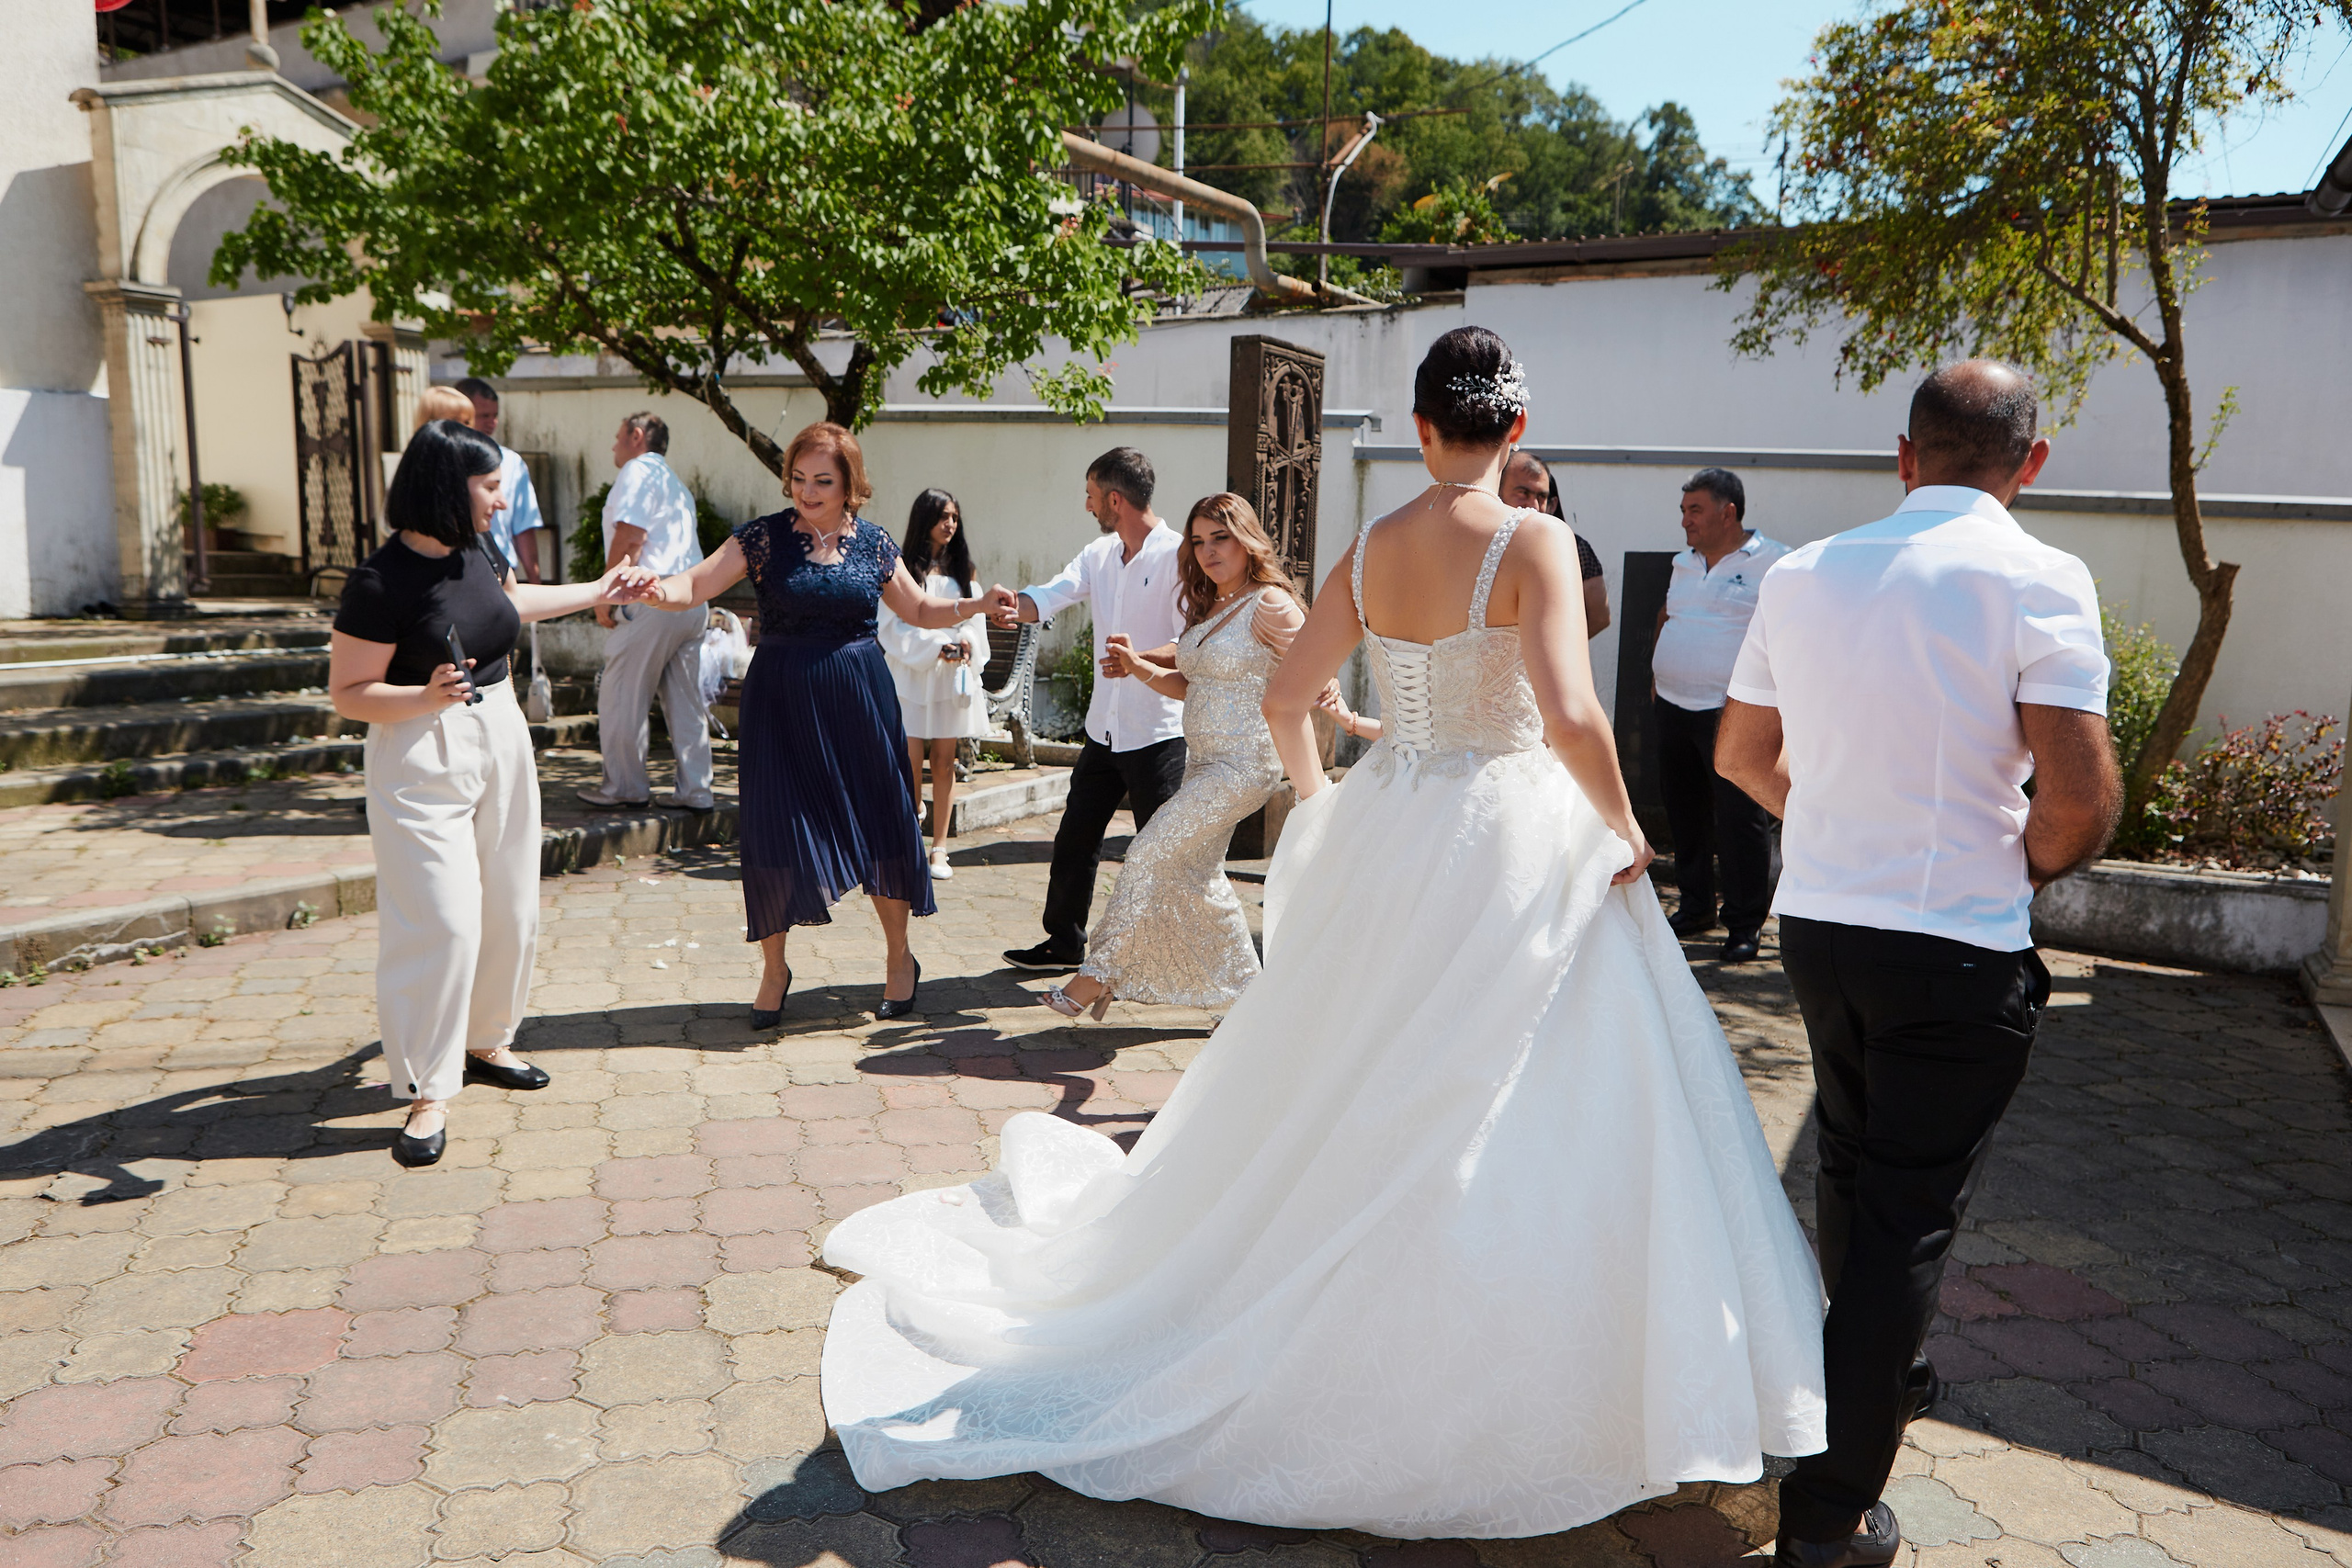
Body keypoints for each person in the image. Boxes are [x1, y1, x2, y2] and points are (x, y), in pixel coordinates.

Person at [820, 328, 1827, 1537]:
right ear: (1515, 432)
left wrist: (1325, 809)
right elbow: (1568, 710)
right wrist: (1625, 828)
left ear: (1417, 427)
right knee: (1522, 1083)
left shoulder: (1372, 546)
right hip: (1514, 832)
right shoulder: (1535, 540)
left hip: (1396, 819)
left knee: (1357, 1072)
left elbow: (1292, 699)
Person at [1715, 360, 2120, 1568]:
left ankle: (1883, 1370)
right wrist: (2006, 869)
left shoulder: (1801, 571)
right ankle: (1833, 1510)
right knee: (1904, 1216)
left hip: (1825, 928)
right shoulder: (2041, 575)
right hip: (1954, 942)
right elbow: (2082, 796)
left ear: (1905, 454)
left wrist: (1840, 832)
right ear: (2029, 463)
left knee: (1853, 1166)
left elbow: (1742, 751)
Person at [327, 420, 652, 1169]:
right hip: (420, 750)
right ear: (450, 489)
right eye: (491, 485)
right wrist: (424, 693)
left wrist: (601, 589)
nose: (503, 499)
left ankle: (487, 1040)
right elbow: (349, 692)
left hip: (498, 731)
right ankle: (426, 1088)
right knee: (440, 923)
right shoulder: (378, 583)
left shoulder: (474, 551)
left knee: (510, 903)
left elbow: (511, 605)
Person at [619, 422, 1010, 1025]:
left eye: (822, 481)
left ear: (851, 483)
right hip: (779, 700)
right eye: (798, 479)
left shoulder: (876, 543)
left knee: (882, 823)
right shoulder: (763, 537)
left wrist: (976, 605)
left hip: (859, 696)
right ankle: (775, 969)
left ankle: (900, 958)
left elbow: (919, 608)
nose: (806, 491)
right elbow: (695, 583)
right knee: (775, 830)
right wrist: (654, 586)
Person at [1038, 492, 1305, 1020]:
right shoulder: (1215, 605)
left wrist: (1334, 711)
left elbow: (1314, 669)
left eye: (1220, 537)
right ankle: (1253, 1001)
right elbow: (1190, 684)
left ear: (1247, 539)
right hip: (1203, 762)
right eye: (1200, 541)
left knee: (1148, 852)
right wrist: (1137, 666)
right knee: (1198, 875)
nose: (1208, 551)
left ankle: (1097, 974)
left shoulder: (1270, 603)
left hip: (1243, 766)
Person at [993, 448, 1189, 973]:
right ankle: (1063, 944)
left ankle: (1171, 955)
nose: (1087, 505)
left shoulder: (1180, 556)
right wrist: (1013, 605)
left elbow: (1192, 641)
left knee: (1162, 853)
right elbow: (1053, 594)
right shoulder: (1099, 555)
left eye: (1091, 495)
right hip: (1104, 731)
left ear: (1115, 499)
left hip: (1159, 731)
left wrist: (1140, 658)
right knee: (1076, 836)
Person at [1651, 468, 1787, 963]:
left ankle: (1745, 922)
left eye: (1695, 510)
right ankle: (1695, 906)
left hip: (1733, 714)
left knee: (1740, 820)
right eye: (1684, 510)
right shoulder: (1683, 564)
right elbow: (1668, 616)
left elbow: (1789, 637)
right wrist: (1656, 672)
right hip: (1673, 706)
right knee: (1684, 811)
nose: (1685, 520)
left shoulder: (1775, 563)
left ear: (1728, 512)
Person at [579, 412, 716, 812]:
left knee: (622, 692)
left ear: (637, 436)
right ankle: (697, 791)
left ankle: (625, 787)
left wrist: (606, 595)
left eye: (618, 436)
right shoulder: (674, 482)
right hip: (689, 598)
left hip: (651, 596)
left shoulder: (638, 471)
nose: (613, 445)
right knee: (687, 700)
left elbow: (631, 536)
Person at [878, 490, 991, 882]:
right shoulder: (903, 567)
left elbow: (975, 623)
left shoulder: (966, 570)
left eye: (955, 517)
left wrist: (966, 643)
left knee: (944, 762)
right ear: (925, 518)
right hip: (913, 673)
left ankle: (939, 847)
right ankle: (911, 830)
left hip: (951, 679)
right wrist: (933, 646)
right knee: (909, 761)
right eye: (943, 516)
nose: (950, 524)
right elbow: (892, 625)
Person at [1500, 449, 1609, 636]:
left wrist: (1558, 651)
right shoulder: (1479, 541)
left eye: (1541, 497)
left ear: (1552, 504)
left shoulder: (1575, 549)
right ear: (1498, 492)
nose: (1533, 505)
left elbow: (1600, 617)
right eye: (1523, 493)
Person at [453, 376, 546, 583]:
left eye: (495, 415)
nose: (492, 422)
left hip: (500, 569)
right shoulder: (439, 462)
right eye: (484, 415)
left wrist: (534, 579)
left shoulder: (511, 462)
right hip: (454, 569)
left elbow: (524, 526)